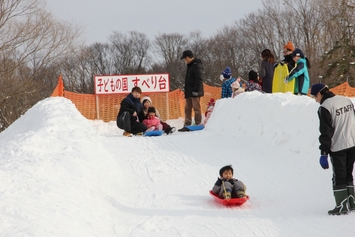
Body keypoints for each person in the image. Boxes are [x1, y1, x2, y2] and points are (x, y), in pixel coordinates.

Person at [310, 83, 355, 215]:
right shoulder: (346, 100)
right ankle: (351, 202)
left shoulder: (325, 107)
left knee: (339, 176)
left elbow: (326, 132)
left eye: (315, 97)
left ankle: (341, 206)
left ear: (319, 94)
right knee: (348, 173)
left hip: (339, 146)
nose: (315, 100)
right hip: (353, 143)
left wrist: (324, 152)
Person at [178, 50, 204, 132]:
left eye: (185, 59)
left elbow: (199, 79)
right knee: (187, 108)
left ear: (187, 57)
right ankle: (187, 125)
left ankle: (197, 123)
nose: (184, 61)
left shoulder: (196, 65)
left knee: (196, 108)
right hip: (189, 92)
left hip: (195, 91)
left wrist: (195, 90)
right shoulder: (190, 66)